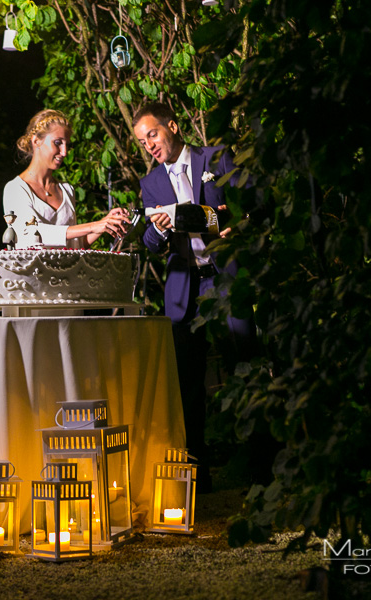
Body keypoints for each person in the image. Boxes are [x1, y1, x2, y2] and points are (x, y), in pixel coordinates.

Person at [133, 102, 256, 475]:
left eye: (152, 134)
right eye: (142, 141)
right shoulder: (150, 183)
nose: (149, 145)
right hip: (184, 291)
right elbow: (152, 245)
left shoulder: (215, 158)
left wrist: (232, 222)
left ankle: (258, 465)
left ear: (172, 126)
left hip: (225, 277)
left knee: (244, 366)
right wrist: (158, 229)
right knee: (186, 384)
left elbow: (248, 201)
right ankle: (194, 478)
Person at [3, 109, 128, 248]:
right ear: (36, 141)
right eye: (57, 143)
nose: (64, 152)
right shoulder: (15, 189)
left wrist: (105, 223)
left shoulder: (66, 190)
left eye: (67, 145)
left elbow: (75, 245)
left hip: (67, 270)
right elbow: (31, 233)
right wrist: (93, 226)